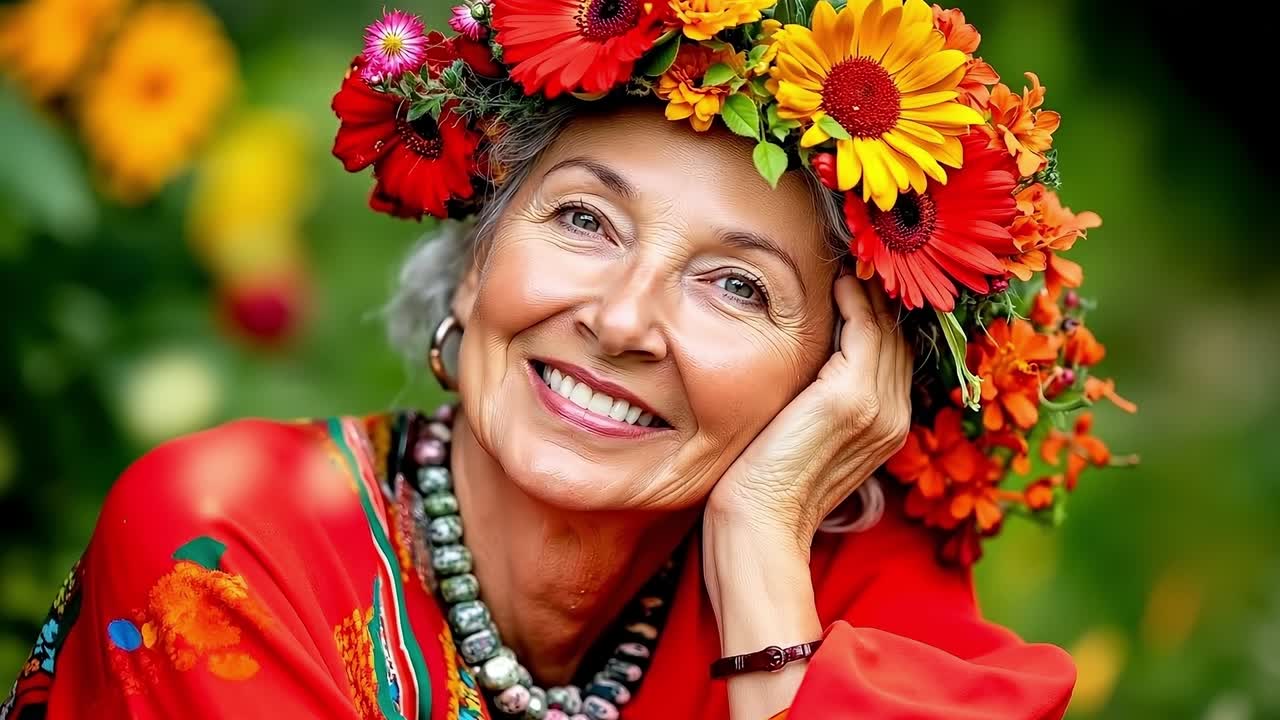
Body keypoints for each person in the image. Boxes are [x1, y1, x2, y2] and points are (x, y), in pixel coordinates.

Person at [5, 1, 1136, 718]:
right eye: (586, 221)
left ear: (837, 379)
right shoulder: (229, 541)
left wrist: (758, 543)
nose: (622, 317)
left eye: (736, 286)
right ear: (470, 261)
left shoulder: (847, 579)